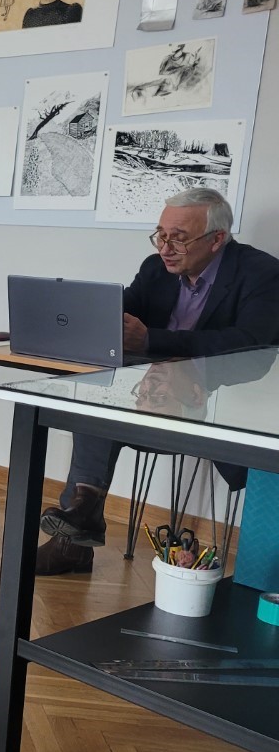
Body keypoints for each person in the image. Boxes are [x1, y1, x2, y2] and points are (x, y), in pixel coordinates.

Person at [36, 188, 279, 575]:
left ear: (217, 238)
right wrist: (66, 325)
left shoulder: (261, 273)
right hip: (148, 394)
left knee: (99, 412)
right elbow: (121, 312)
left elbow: (253, 345)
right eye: (161, 235)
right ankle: (81, 517)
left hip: (214, 404)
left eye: (179, 238)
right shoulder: (155, 269)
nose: (166, 248)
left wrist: (153, 340)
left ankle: (78, 530)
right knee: (93, 403)